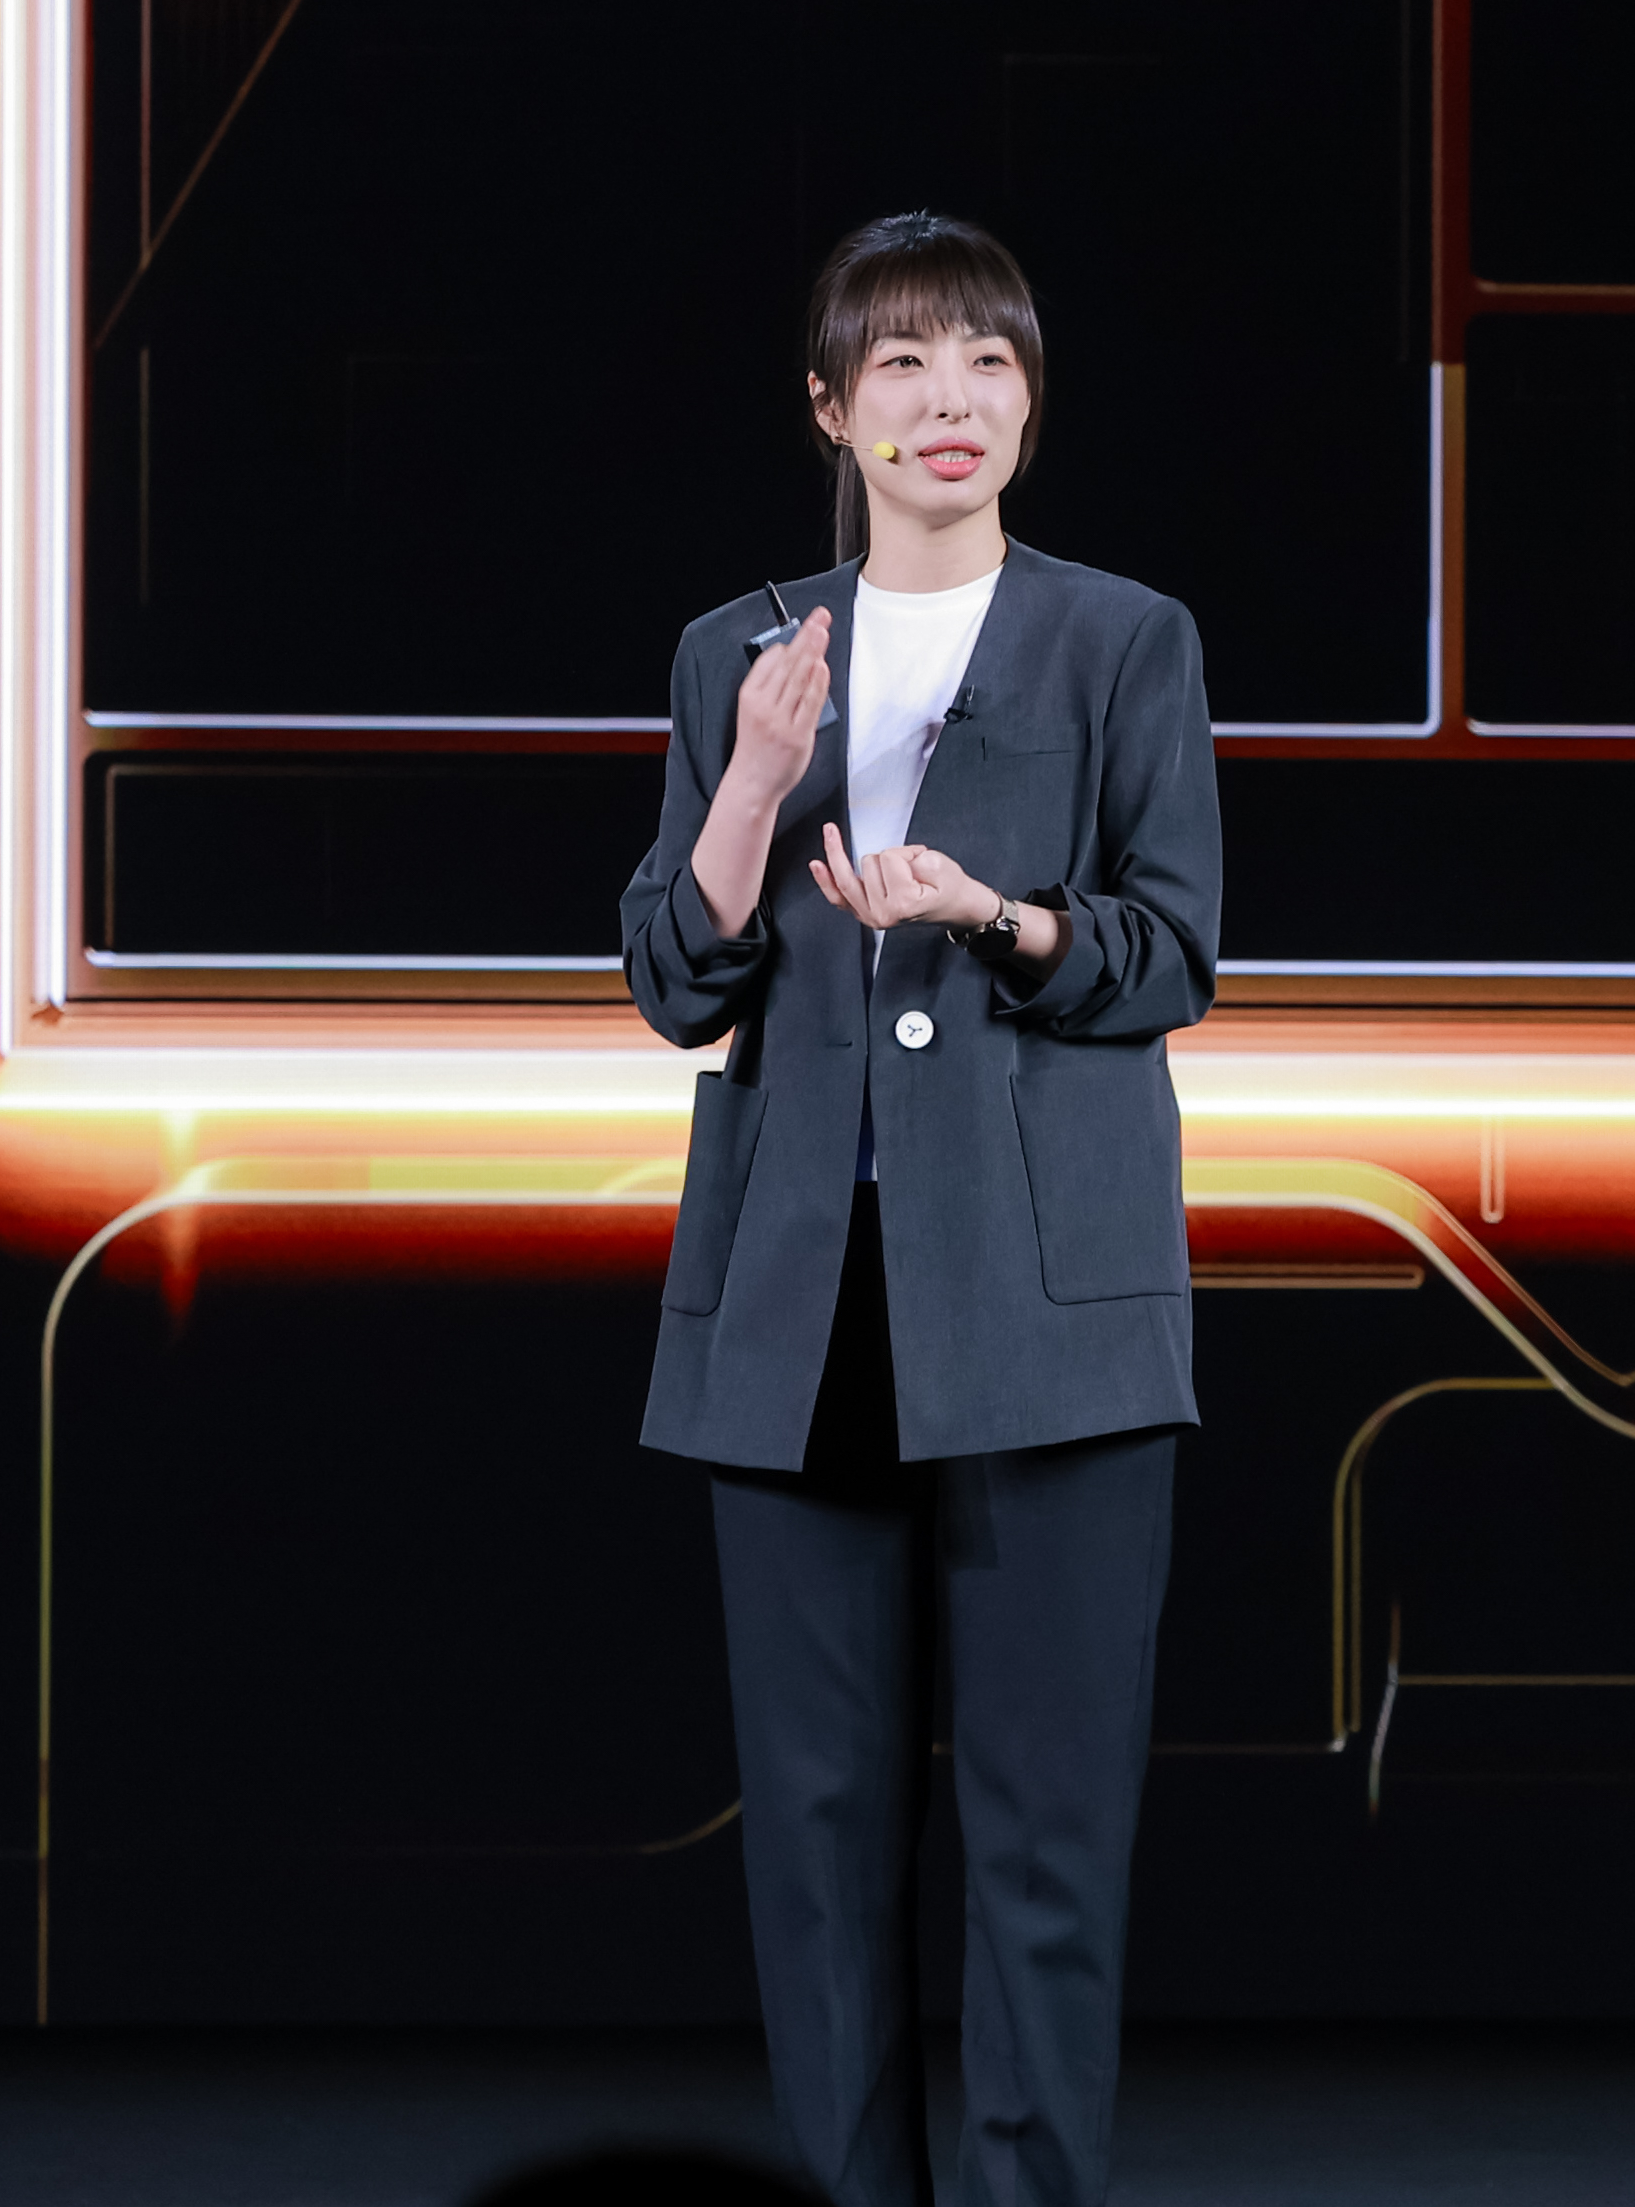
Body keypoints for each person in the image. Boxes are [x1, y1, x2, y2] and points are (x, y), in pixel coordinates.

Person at [619, 211, 1220, 2207]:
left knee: (1048, 1841)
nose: (948, 397)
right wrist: (750, 782)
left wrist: (997, 914)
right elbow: (675, 981)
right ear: (829, 407)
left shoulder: (1124, 637)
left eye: (986, 360)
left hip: (1050, 1303)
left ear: (1029, 403)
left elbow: (1173, 952)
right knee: (815, 1839)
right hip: (797, 1302)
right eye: (901, 362)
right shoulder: (739, 653)